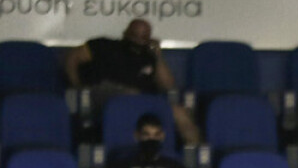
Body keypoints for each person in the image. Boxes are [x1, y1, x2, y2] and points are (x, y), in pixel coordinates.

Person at [63, 19, 202, 145]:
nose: (139, 40)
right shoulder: (104, 45)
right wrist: (77, 86)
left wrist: (158, 56)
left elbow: (168, 85)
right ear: (126, 33)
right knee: (129, 92)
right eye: (135, 35)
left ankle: (197, 154)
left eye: (144, 36)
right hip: (108, 96)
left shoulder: (149, 57)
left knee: (180, 112)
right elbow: (72, 58)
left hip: (144, 100)